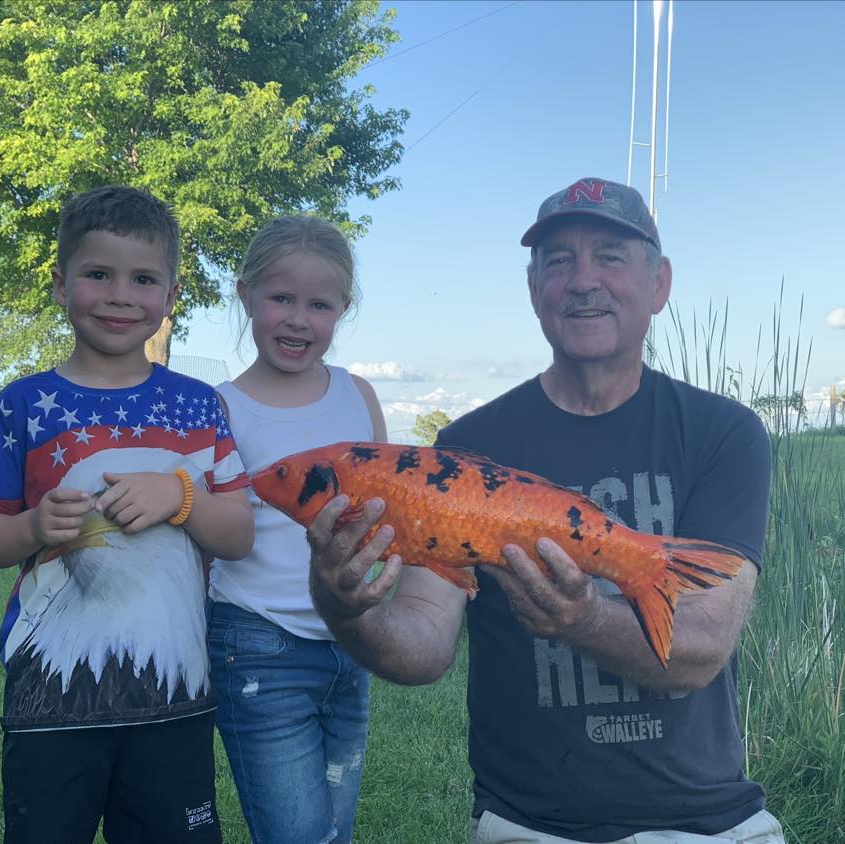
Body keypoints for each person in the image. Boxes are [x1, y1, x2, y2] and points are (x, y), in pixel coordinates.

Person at [307, 178, 785, 843]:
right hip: (528, 823)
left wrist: (581, 618)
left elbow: (700, 648)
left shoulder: (723, 433)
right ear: (534, 288)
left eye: (610, 256)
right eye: (558, 260)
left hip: (707, 821)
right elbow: (419, 650)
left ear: (657, 284)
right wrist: (345, 607)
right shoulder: (463, 449)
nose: (582, 280)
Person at [0, 186, 253, 843]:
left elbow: (237, 534)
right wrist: (33, 526)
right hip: (49, 702)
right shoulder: (23, 404)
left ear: (171, 297)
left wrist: (182, 495)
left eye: (143, 279)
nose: (120, 295)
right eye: (98, 274)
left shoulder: (198, 406)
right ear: (61, 286)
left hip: (175, 698)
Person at [207, 215, 387, 844]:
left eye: (319, 304)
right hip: (256, 643)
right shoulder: (222, 407)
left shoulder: (358, 395)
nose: (297, 319)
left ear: (342, 309)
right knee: (296, 834)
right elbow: (209, 536)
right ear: (246, 294)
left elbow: (384, 511)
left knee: (335, 827)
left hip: (350, 639)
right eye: (281, 298)